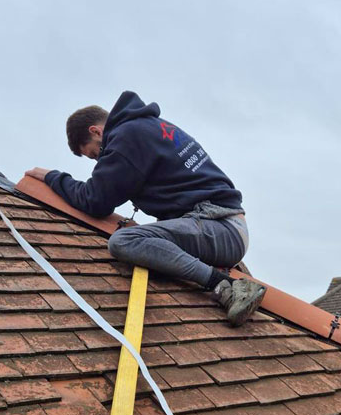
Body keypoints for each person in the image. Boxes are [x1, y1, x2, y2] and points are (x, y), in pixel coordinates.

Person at [25, 91, 266, 326]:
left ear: (96, 131)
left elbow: (95, 200)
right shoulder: (146, 125)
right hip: (224, 224)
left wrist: (53, 177)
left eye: (94, 153)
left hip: (220, 229)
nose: (100, 160)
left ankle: (224, 286)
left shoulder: (125, 138)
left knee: (124, 241)